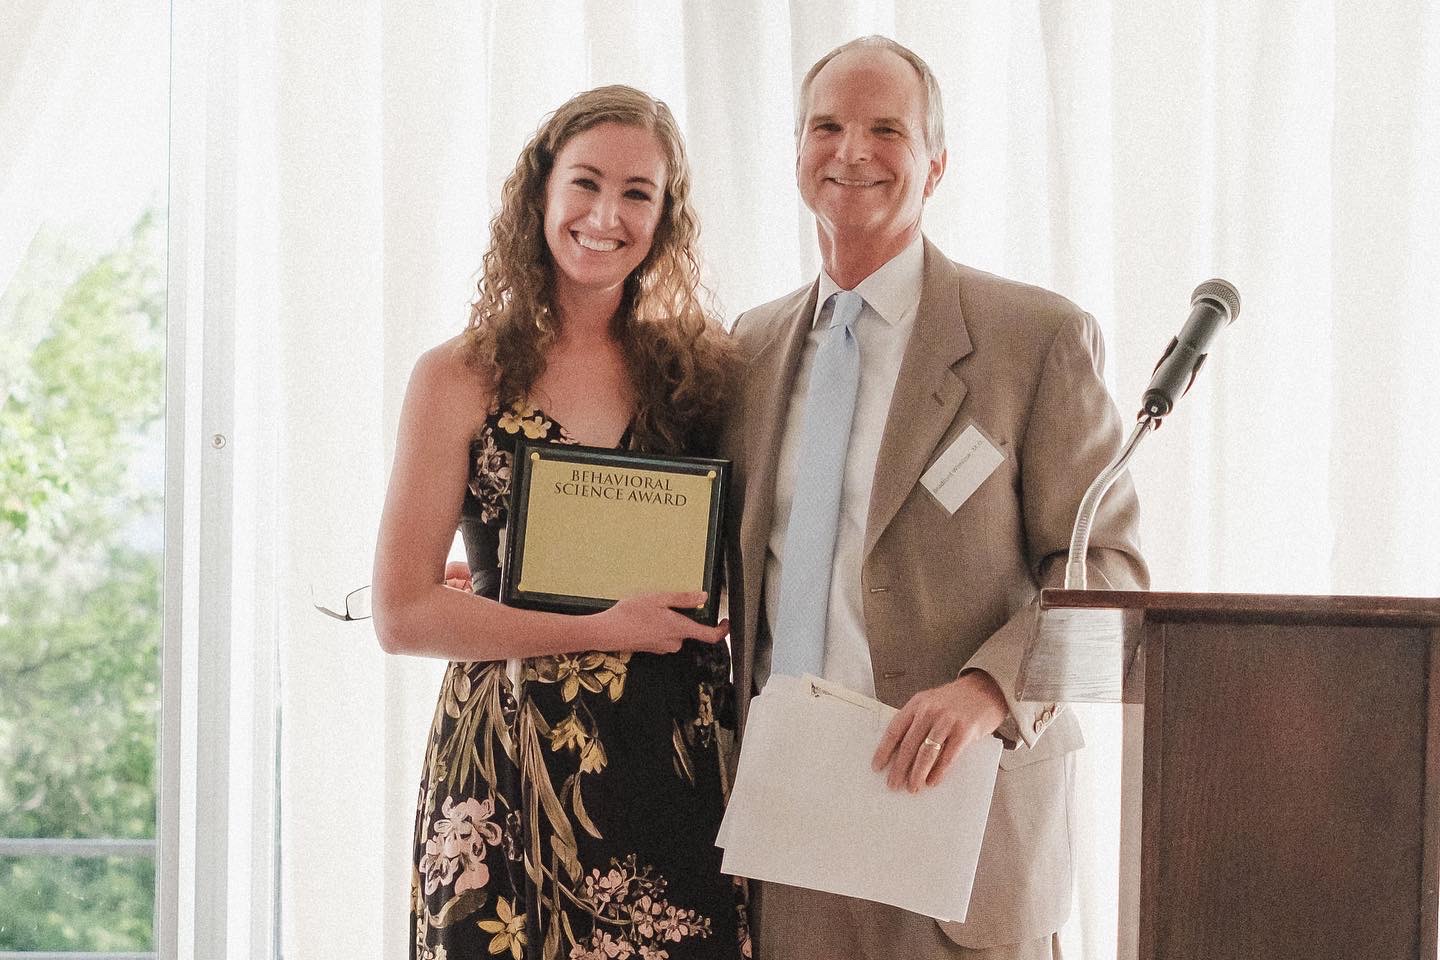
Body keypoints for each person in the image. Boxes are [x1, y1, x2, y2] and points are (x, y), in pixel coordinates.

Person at [721, 37, 1148, 960]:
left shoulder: (1034, 338)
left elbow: (1108, 571)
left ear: (936, 163)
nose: (852, 151)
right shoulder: (747, 348)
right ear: (797, 151)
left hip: (964, 816)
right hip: (786, 817)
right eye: (827, 126)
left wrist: (990, 689)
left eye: (887, 130)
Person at [373, 85, 750, 960]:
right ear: (539, 193)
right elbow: (403, 615)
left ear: (667, 215)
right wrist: (600, 626)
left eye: (637, 193)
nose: (605, 215)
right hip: (506, 761)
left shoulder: (702, 376)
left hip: (667, 762)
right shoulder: (457, 376)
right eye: (585, 183)